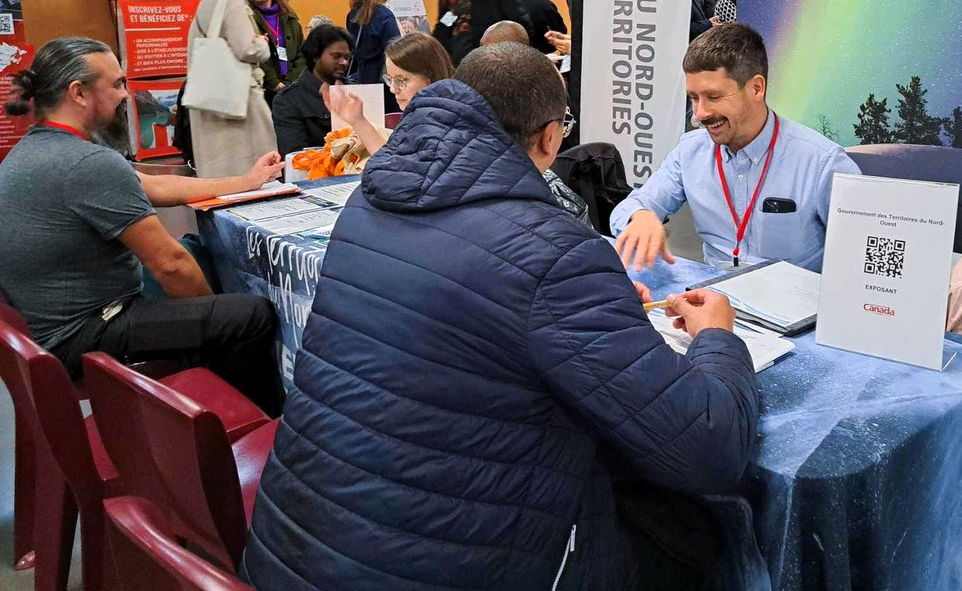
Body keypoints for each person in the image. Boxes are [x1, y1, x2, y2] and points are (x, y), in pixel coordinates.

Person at [243, 42, 759, 590]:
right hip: (452, 563)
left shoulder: (368, 204)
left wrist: (597, 309)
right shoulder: (553, 253)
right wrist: (717, 339)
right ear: (551, 137)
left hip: (299, 550)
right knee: (698, 531)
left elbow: (476, 320)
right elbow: (709, 446)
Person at [0, 37, 284, 414]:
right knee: (247, 316)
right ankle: (256, 425)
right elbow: (170, 264)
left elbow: (155, 185)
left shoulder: (34, 150)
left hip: (49, 329)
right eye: (116, 84)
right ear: (79, 93)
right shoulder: (88, 164)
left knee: (201, 261)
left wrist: (243, 182)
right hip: (83, 334)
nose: (124, 95)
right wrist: (214, 316)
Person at [611, 24, 861, 271]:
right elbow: (627, 209)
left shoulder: (822, 163)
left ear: (756, 88)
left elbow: (859, 258)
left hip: (793, 305)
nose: (700, 114)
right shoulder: (690, 151)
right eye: (694, 98)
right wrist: (641, 217)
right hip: (713, 296)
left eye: (714, 97)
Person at [188, 0, 278, 179]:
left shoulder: (204, 4)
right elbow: (246, 49)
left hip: (209, 98)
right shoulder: (232, 1)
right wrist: (261, 44)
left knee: (220, 175)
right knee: (254, 169)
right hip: (240, 101)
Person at [324, 31, 453, 155]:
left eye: (402, 80)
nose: (393, 89)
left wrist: (358, 121)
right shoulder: (423, 118)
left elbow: (395, 167)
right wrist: (357, 120)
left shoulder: (442, 127)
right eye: (390, 79)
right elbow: (391, 161)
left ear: (431, 76)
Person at [271, 24, 354, 155]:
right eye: (336, 56)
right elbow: (296, 156)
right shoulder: (289, 100)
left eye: (346, 57)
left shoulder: (355, 90)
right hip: (318, 171)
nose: (344, 62)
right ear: (315, 55)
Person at [345, 0, 401, 110]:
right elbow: (395, 52)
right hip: (383, 84)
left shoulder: (352, 15)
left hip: (361, 81)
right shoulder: (385, 16)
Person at [245, 0, 304, 103]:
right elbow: (249, 53)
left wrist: (291, 81)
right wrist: (273, 82)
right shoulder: (246, 17)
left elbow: (303, 52)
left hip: (291, 87)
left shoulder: (290, 16)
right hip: (263, 89)